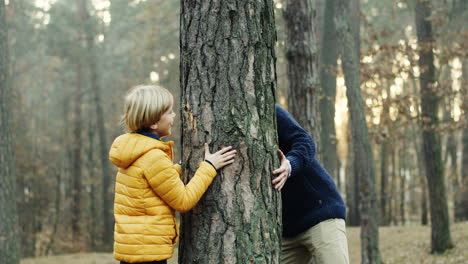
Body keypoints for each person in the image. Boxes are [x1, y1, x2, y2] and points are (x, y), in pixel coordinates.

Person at [109, 85, 237, 264]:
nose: (174, 116)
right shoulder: (153, 156)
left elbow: (150, 184)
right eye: (169, 112)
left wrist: (179, 168)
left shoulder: (134, 150)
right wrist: (209, 167)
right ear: (153, 122)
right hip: (148, 252)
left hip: (136, 247)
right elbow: (183, 201)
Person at [272, 104, 349, 264]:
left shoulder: (269, 109)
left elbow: (305, 141)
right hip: (287, 231)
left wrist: (290, 165)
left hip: (320, 213)